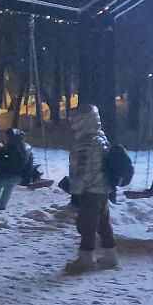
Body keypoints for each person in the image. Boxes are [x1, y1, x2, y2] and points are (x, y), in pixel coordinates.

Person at [63, 105, 119, 271]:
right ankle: (110, 256)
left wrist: (76, 190)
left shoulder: (85, 143)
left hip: (90, 189)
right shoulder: (100, 137)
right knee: (102, 223)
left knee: (87, 225)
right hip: (102, 187)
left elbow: (82, 170)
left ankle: (85, 259)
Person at [0, 127, 39, 210]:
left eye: (7, 137)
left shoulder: (21, 150)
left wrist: (3, 170)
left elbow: (16, 166)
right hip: (11, 172)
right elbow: (4, 160)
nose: (5, 139)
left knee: (8, 184)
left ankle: (2, 207)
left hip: (21, 175)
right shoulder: (10, 147)